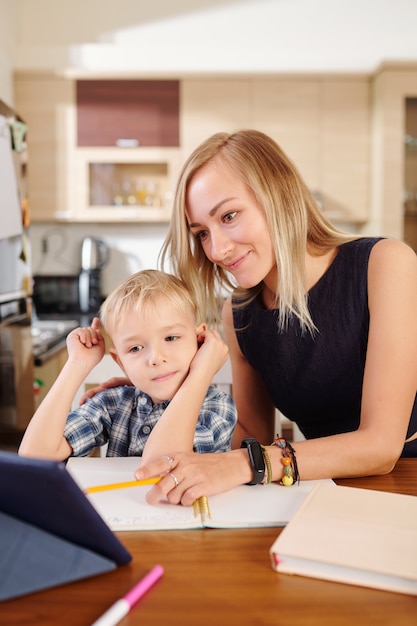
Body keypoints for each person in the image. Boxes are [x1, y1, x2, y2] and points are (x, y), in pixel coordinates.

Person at [82, 129, 417, 507]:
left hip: (405, 483)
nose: (218, 249)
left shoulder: (385, 264)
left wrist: (246, 463)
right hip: (330, 490)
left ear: (277, 195)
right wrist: (161, 387)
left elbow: (382, 445)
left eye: (229, 215)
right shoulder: (239, 314)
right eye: (202, 233)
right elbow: (248, 433)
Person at [18, 269, 237, 464]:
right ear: (120, 363)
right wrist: (77, 365)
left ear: (200, 341)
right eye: (135, 348)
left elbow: (160, 464)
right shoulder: (115, 404)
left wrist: (202, 372)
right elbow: (34, 455)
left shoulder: (217, 408)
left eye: (171, 337)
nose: (155, 358)